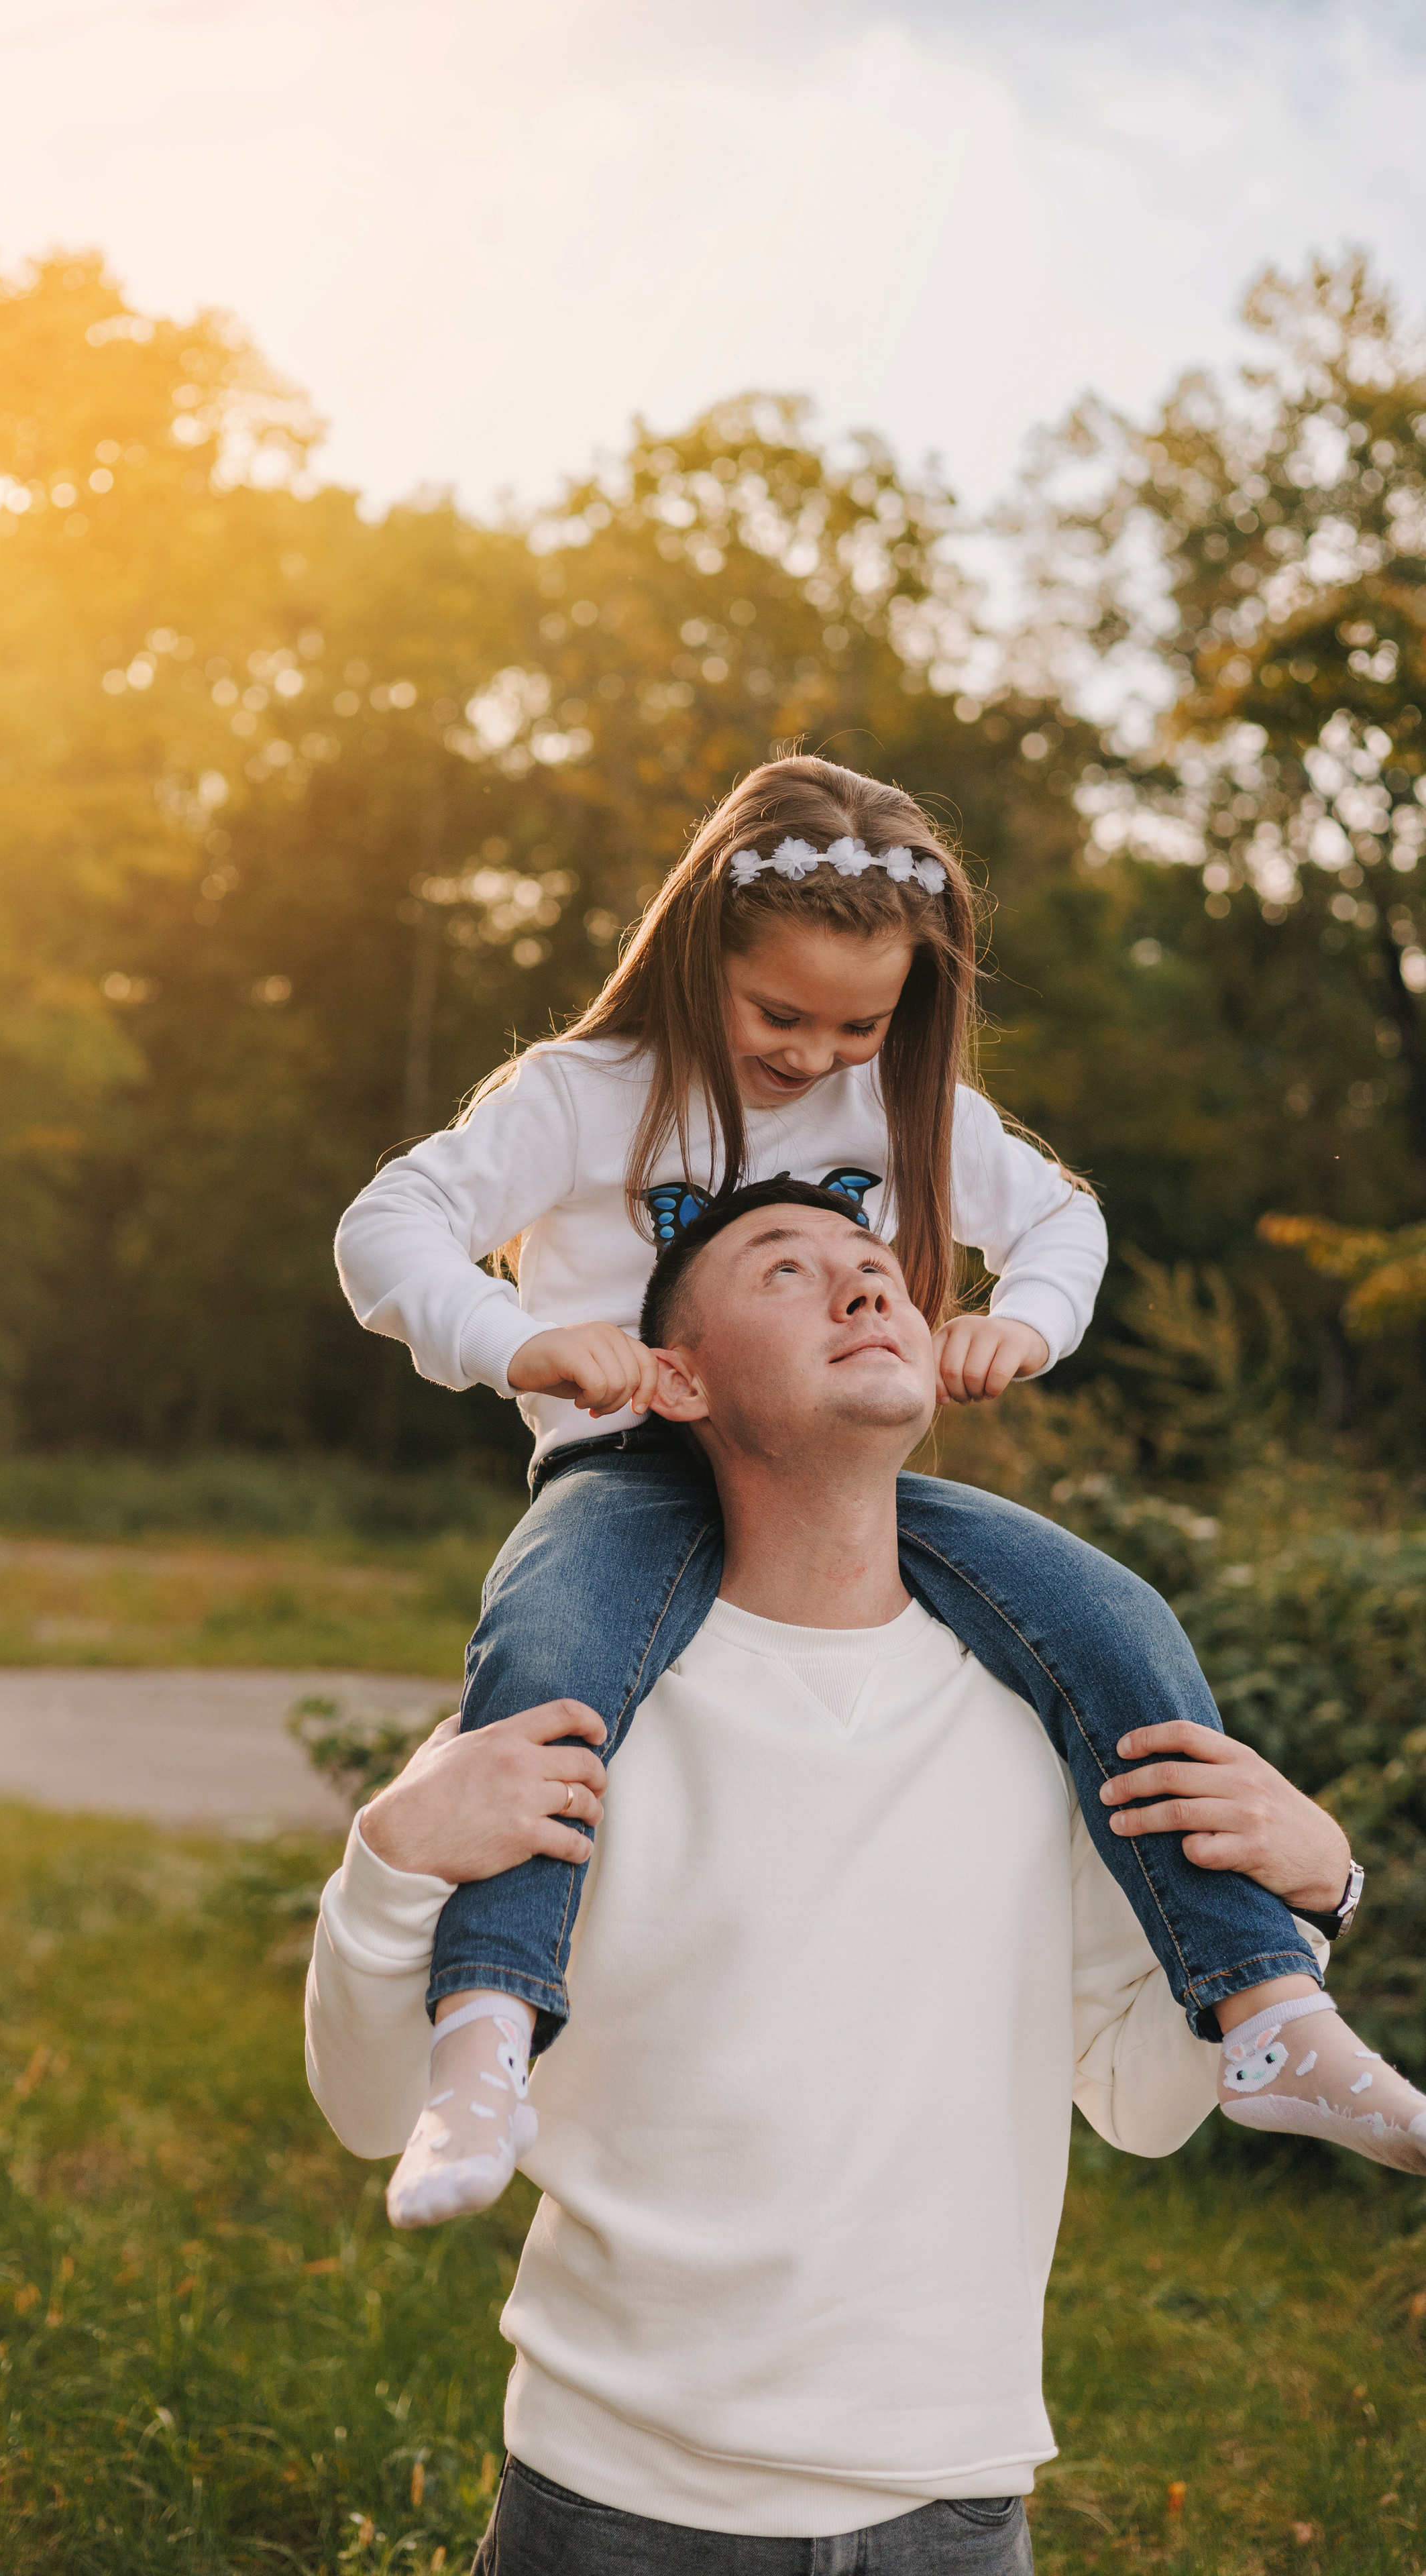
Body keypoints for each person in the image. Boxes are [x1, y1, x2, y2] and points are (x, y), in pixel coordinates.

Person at [307, 1186, 1421, 2573]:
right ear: (679, 1378)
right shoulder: (567, 1711)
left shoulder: (1043, 1716)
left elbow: (1142, 2101)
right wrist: (393, 1857)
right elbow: (368, 2118)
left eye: (874, 1267)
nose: (860, 1290)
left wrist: (1312, 1898)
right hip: (616, 2512)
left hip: (954, 2510)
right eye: (786, 1270)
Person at [335, 757, 1366, 2231]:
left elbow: (1060, 1221)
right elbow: (389, 1225)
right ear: (704, 956)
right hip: (626, 1469)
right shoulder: (587, 1095)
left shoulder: (900, 1104)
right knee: (547, 1664)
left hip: (833, 1470)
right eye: (780, 1016)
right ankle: (485, 2037)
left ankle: (1264, 2005)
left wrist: (1027, 1322)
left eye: (859, 1024)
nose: (817, 1055)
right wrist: (519, 1340)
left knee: (1103, 1608)